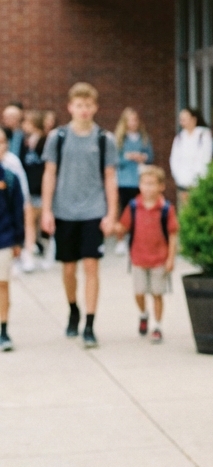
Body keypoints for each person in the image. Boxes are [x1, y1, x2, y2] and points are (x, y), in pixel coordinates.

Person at [41, 82, 119, 348]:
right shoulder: (58, 138)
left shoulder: (104, 139)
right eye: (79, 105)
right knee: (69, 268)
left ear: (95, 107)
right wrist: (47, 210)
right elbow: (49, 173)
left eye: (88, 105)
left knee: (91, 266)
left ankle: (90, 322)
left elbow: (110, 177)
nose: (84, 110)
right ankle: (73, 308)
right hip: (64, 210)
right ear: (70, 107)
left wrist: (111, 213)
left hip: (93, 210)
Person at [116, 166, 178, 344]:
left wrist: (171, 258)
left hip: (159, 258)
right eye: (144, 184)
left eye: (152, 184)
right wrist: (115, 228)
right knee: (139, 292)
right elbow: (124, 226)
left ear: (161, 187)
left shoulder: (166, 209)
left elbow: (173, 234)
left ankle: (157, 326)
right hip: (138, 258)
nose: (148, 188)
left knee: (157, 293)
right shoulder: (134, 206)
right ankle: (143, 314)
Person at [114, 108, 154, 254]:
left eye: (135, 120)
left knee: (140, 210)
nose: (133, 123)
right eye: (130, 120)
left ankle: (138, 238)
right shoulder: (120, 138)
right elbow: (115, 159)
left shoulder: (144, 137)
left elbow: (150, 156)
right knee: (124, 210)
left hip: (139, 178)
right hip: (124, 180)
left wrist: (142, 157)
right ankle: (120, 239)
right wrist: (128, 157)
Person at [0, 134, 26, 352]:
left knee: (2, 284)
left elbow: (18, 211)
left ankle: (3, 330)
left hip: (4, 238)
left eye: (1, 142)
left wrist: (19, 240)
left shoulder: (9, 178)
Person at [19, 111, 47, 272]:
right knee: (29, 222)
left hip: (41, 189)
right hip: (30, 189)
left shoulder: (45, 141)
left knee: (42, 223)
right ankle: (29, 253)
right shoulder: (25, 142)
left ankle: (47, 251)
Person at [169, 107, 212, 208]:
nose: (182, 121)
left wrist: (199, 178)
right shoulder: (179, 137)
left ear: (193, 119)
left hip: (199, 183)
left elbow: (206, 158)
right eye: (181, 119)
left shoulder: (203, 135)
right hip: (183, 183)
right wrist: (179, 178)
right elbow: (174, 159)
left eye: (185, 118)